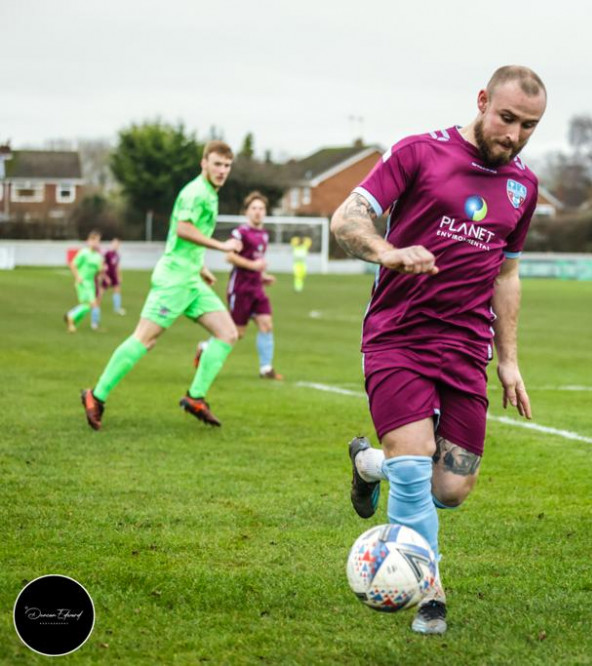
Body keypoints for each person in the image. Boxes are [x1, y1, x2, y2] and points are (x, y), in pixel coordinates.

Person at [331, 65, 547, 635]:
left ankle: (368, 464)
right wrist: (387, 252)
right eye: (506, 119)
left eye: (529, 125)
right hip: (397, 338)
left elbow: (507, 274)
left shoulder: (524, 186)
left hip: (465, 350)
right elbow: (346, 218)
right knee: (412, 473)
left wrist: (509, 360)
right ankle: (428, 593)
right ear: (481, 102)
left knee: (450, 488)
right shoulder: (418, 153)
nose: (515, 135)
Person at [80, 141, 242, 430]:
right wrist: (220, 245)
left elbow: (179, 239)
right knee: (145, 339)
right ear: (203, 163)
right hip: (174, 280)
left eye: (227, 165)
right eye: (217, 164)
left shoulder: (209, 193)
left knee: (227, 333)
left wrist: (201, 266)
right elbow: (182, 228)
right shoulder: (196, 192)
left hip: (190, 277)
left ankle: (195, 397)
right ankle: (96, 395)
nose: (222, 170)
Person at [195, 191, 281, 379]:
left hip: (257, 288)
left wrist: (263, 275)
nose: (258, 212)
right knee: (236, 333)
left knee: (266, 324)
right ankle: (205, 347)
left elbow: (256, 261)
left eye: (261, 208)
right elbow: (229, 256)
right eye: (254, 208)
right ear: (246, 212)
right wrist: (253, 266)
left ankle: (266, 368)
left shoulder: (264, 235)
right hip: (240, 289)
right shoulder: (240, 233)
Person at [65, 230, 104, 333]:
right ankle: (71, 316)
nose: (96, 243)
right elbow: (73, 264)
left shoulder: (98, 256)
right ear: (89, 241)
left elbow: (99, 271)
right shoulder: (83, 253)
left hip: (91, 283)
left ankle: (72, 323)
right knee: (91, 304)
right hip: (83, 282)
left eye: (98, 241)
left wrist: (102, 271)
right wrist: (77, 277)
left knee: (86, 306)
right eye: (94, 241)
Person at [102, 238, 127, 316]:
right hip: (107, 275)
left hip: (114, 275)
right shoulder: (107, 253)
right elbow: (102, 264)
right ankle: (95, 305)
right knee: (101, 291)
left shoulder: (117, 255)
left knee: (117, 290)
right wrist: (105, 276)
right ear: (111, 244)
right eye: (114, 243)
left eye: (117, 244)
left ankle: (117, 308)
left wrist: (119, 276)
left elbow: (117, 266)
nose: (116, 245)